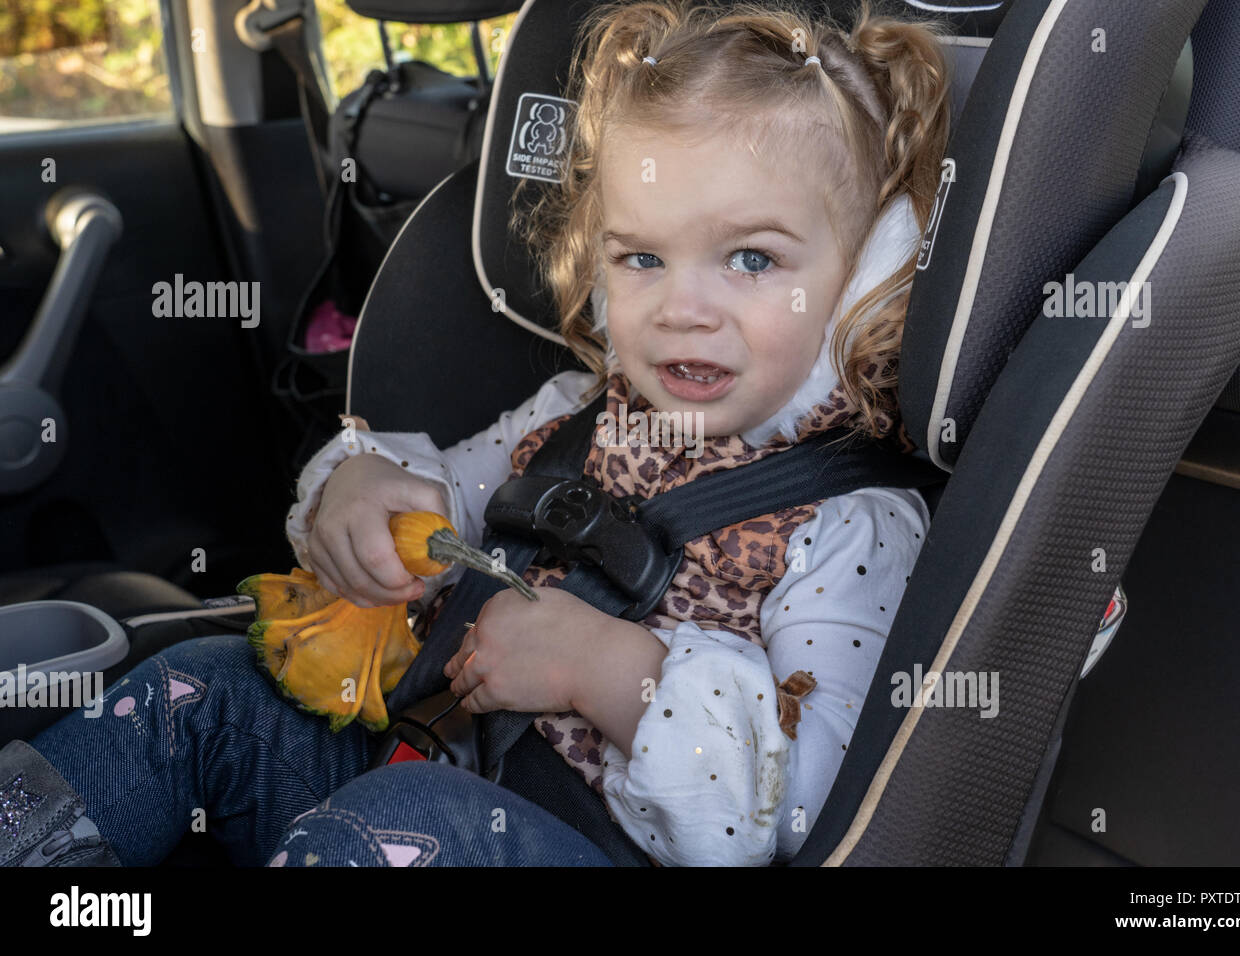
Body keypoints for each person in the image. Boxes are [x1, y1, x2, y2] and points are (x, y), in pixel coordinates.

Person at [0, 0, 950, 868]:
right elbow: (444, 497)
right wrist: (365, 496)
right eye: (643, 258)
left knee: (408, 816)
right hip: (422, 773)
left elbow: (804, 805)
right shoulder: (576, 413)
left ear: (870, 276)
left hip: (580, 845)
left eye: (751, 258)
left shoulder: (851, 521)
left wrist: (599, 670)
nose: (682, 308)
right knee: (200, 691)